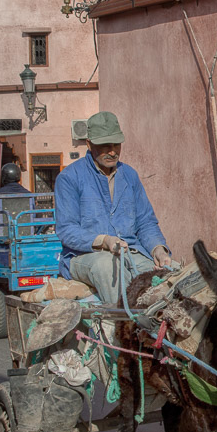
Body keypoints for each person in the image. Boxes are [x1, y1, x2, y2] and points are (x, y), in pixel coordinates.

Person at [54, 111, 172, 304]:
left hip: (131, 252)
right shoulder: (69, 178)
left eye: (116, 145)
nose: (112, 152)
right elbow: (67, 230)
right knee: (107, 266)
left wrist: (158, 249)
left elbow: (145, 222)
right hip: (84, 256)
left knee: (172, 273)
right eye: (105, 146)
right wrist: (104, 241)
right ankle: (121, 327)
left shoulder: (130, 175)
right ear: (89, 144)